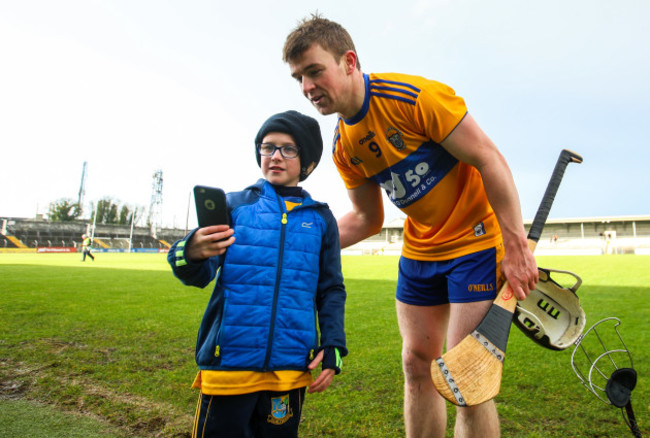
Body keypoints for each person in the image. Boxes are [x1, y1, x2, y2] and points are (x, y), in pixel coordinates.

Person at [283, 15, 538, 438]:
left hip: (474, 242)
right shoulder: (344, 145)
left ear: (349, 61)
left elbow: (488, 159)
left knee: (466, 374)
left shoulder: (414, 97)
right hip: (420, 251)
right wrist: (301, 244)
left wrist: (516, 247)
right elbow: (368, 218)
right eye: (298, 78)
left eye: (314, 71)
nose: (307, 87)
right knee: (416, 364)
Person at [167, 110, 347, 438]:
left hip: (289, 370)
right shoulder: (234, 206)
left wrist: (333, 344)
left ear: (306, 161)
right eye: (268, 147)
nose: (275, 156)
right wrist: (190, 251)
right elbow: (197, 274)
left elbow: (331, 288)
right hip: (228, 367)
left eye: (287, 149)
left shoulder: (322, 219)